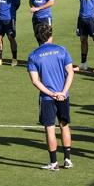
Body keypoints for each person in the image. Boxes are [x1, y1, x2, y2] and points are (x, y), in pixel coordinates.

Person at [27, 21, 75, 171]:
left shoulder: (34, 56)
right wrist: (63, 92)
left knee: (49, 128)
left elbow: (35, 81)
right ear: (50, 35)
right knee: (64, 126)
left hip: (47, 98)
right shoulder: (62, 50)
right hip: (63, 96)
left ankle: (54, 163)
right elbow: (70, 72)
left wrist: (52, 94)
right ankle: (67, 159)